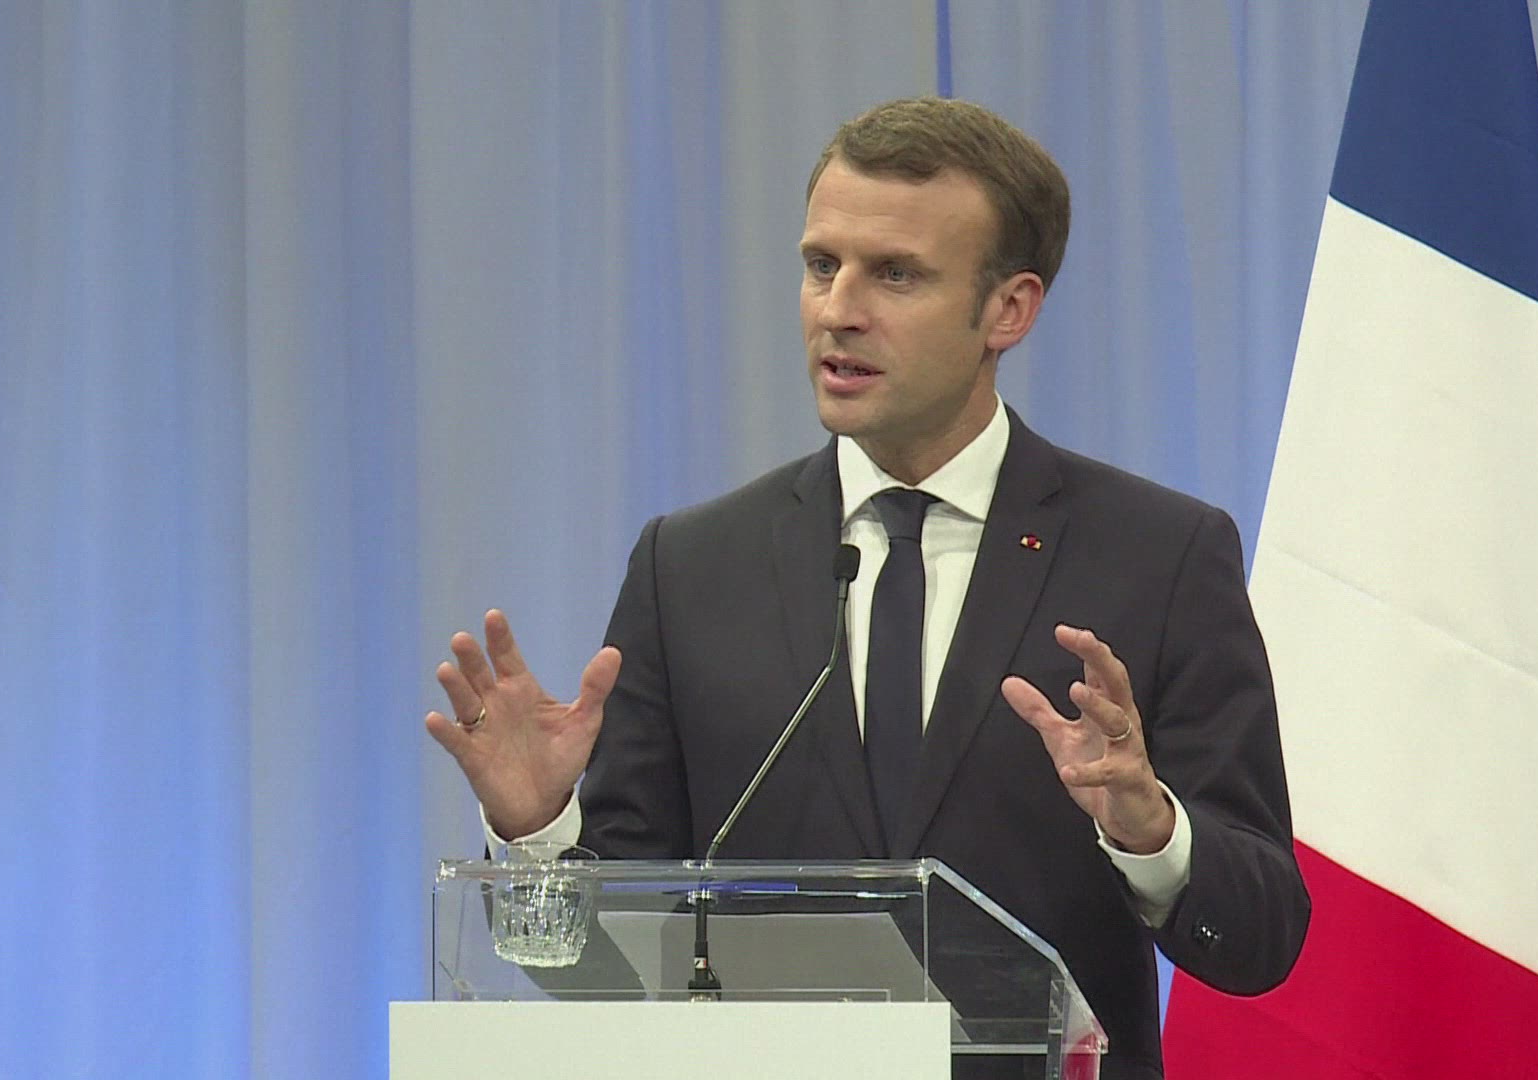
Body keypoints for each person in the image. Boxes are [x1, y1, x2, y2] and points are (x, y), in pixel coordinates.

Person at [425, 97, 1308, 1080]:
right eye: (821, 265)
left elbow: (1264, 935)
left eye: (896, 274)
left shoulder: (1158, 556)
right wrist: (539, 834)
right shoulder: (693, 566)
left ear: (1008, 310)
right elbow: (612, 968)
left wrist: (1154, 835)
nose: (838, 309)